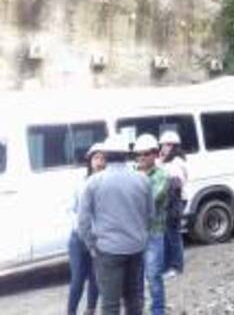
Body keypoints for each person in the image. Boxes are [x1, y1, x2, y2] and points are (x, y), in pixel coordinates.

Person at [78, 134, 153, 315]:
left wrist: (91, 245)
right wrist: (141, 237)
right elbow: (150, 215)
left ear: (105, 155)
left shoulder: (93, 182)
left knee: (110, 304)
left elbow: (83, 221)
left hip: (107, 250)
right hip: (135, 247)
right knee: (134, 300)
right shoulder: (143, 179)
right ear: (126, 155)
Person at [67, 142, 105, 315]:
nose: (99, 162)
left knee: (95, 277)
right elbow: (70, 208)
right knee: (77, 279)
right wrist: (80, 225)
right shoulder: (81, 183)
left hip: (98, 239)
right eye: (96, 158)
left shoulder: (108, 184)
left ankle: (90, 310)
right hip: (79, 238)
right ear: (89, 161)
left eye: (103, 158)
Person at [134, 134, 169, 315]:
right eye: (138, 154)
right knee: (135, 278)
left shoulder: (161, 176)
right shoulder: (131, 173)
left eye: (146, 153)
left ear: (155, 154)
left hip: (154, 232)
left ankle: (158, 311)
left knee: (153, 275)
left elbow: (150, 201)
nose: (141, 157)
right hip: (134, 234)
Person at [158, 130, 188, 277]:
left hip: (174, 201)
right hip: (169, 201)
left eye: (166, 145)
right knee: (167, 234)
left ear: (173, 146)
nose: (163, 148)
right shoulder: (168, 161)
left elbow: (176, 184)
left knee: (173, 235)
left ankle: (176, 267)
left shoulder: (176, 162)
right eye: (163, 145)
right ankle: (168, 265)